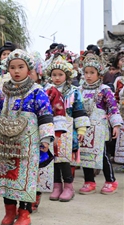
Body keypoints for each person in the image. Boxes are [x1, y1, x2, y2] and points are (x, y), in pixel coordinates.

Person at [0, 49, 54, 225]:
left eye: (20, 67)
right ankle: (9, 212)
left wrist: (46, 139)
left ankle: (24, 213)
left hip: (28, 143)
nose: (16, 71)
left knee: (26, 178)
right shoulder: (3, 91)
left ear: (29, 69)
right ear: (7, 69)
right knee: (5, 177)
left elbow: (46, 114)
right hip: (5, 142)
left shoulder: (36, 91)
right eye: (12, 67)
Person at [45, 54, 90, 202]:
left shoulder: (74, 91)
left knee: (64, 160)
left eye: (60, 74)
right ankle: (57, 185)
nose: (57, 77)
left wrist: (81, 129)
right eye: (54, 75)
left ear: (67, 75)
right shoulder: (46, 91)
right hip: (51, 127)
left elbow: (79, 110)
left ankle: (68, 186)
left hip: (68, 130)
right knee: (53, 159)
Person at [78, 54, 122, 195]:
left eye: (92, 73)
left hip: (99, 127)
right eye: (86, 72)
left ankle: (110, 180)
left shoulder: (104, 90)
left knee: (102, 154)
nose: (88, 76)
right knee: (84, 154)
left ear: (99, 74)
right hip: (84, 127)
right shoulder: (79, 90)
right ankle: (89, 181)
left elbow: (113, 107)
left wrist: (116, 125)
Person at [29, 51, 67, 212]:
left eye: (28, 70)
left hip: (42, 135)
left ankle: (35, 197)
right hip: (22, 136)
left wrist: (55, 135)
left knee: (40, 167)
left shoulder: (48, 90)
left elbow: (59, 112)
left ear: (38, 72)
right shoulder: (14, 89)